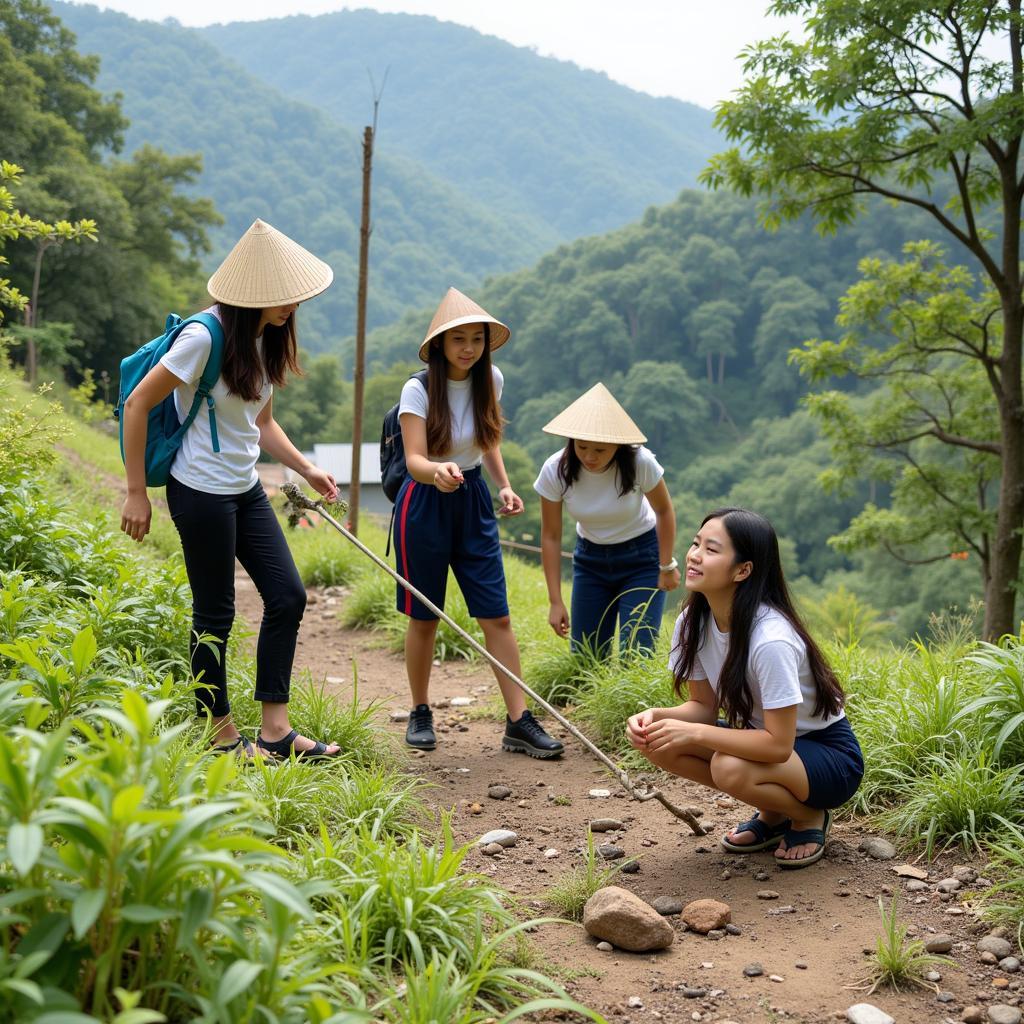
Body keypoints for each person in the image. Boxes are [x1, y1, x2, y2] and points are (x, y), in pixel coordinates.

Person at [119, 219, 342, 761]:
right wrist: (135, 492)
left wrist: (305, 469)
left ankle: (275, 731)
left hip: (242, 489)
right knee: (215, 612)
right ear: (256, 295)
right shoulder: (204, 337)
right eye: (285, 295)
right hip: (198, 492)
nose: (293, 304)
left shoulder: (266, 338)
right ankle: (220, 734)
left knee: (287, 595)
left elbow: (261, 425)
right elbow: (137, 405)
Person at [626, 508, 863, 868]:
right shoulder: (693, 621)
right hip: (769, 748)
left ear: (743, 570)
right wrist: (656, 718)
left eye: (712, 549)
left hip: (827, 756)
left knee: (728, 767)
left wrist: (694, 733)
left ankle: (807, 816)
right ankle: (774, 814)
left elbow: (778, 745)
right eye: (695, 543)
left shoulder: (771, 640)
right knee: (659, 743)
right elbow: (703, 706)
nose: (694, 555)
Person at [394, 287, 563, 758]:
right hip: (424, 503)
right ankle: (420, 711)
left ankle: (518, 720)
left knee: (498, 614)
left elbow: (487, 439)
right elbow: (413, 459)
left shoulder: (492, 379)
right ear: (440, 346)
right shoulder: (418, 389)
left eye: (476, 339)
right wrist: (438, 472)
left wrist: (504, 484)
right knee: (424, 615)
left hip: (473, 500)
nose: (468, 348)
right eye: (458, 340)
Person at [534, 383, 680, 658]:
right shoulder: (556, 469)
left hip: (642, 560)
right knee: (587, 655)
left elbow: (664, 511)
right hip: (590, 561)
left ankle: (635, 704)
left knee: (636, 653)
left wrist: (666, 564)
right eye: (582, 446)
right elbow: (551, 535)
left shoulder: (640, 462)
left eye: (600, 450)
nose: (589, 457)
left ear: (618, 444)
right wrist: (555, 601)